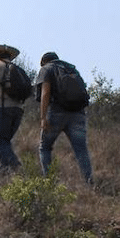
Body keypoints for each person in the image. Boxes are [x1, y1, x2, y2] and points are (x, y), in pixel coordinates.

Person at [36, 51, 93, 185]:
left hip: (56, 112)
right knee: (81, 150)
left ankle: (49, 183)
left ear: (44, 62)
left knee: (44, 147)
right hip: (78, 114)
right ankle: (89, 183)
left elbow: (45, 93)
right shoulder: (71, 69)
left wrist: (43, 117)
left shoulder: (47, 69)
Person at [0, 44, 24, 172]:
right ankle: (2, 169)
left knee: (0, 141)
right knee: (5, 141)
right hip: (18, 109)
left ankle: (16, 166)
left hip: (2, 107)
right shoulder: (17, 68)